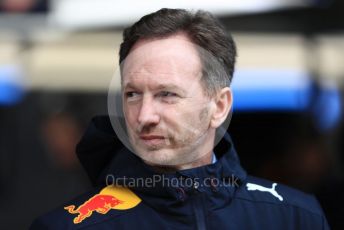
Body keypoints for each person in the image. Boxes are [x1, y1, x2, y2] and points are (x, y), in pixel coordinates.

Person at [30, 8, 330, 229]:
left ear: (219, 106)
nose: (144, 116)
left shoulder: (294, 217)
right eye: (133, 94)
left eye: (167, 95)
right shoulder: (66, 226)